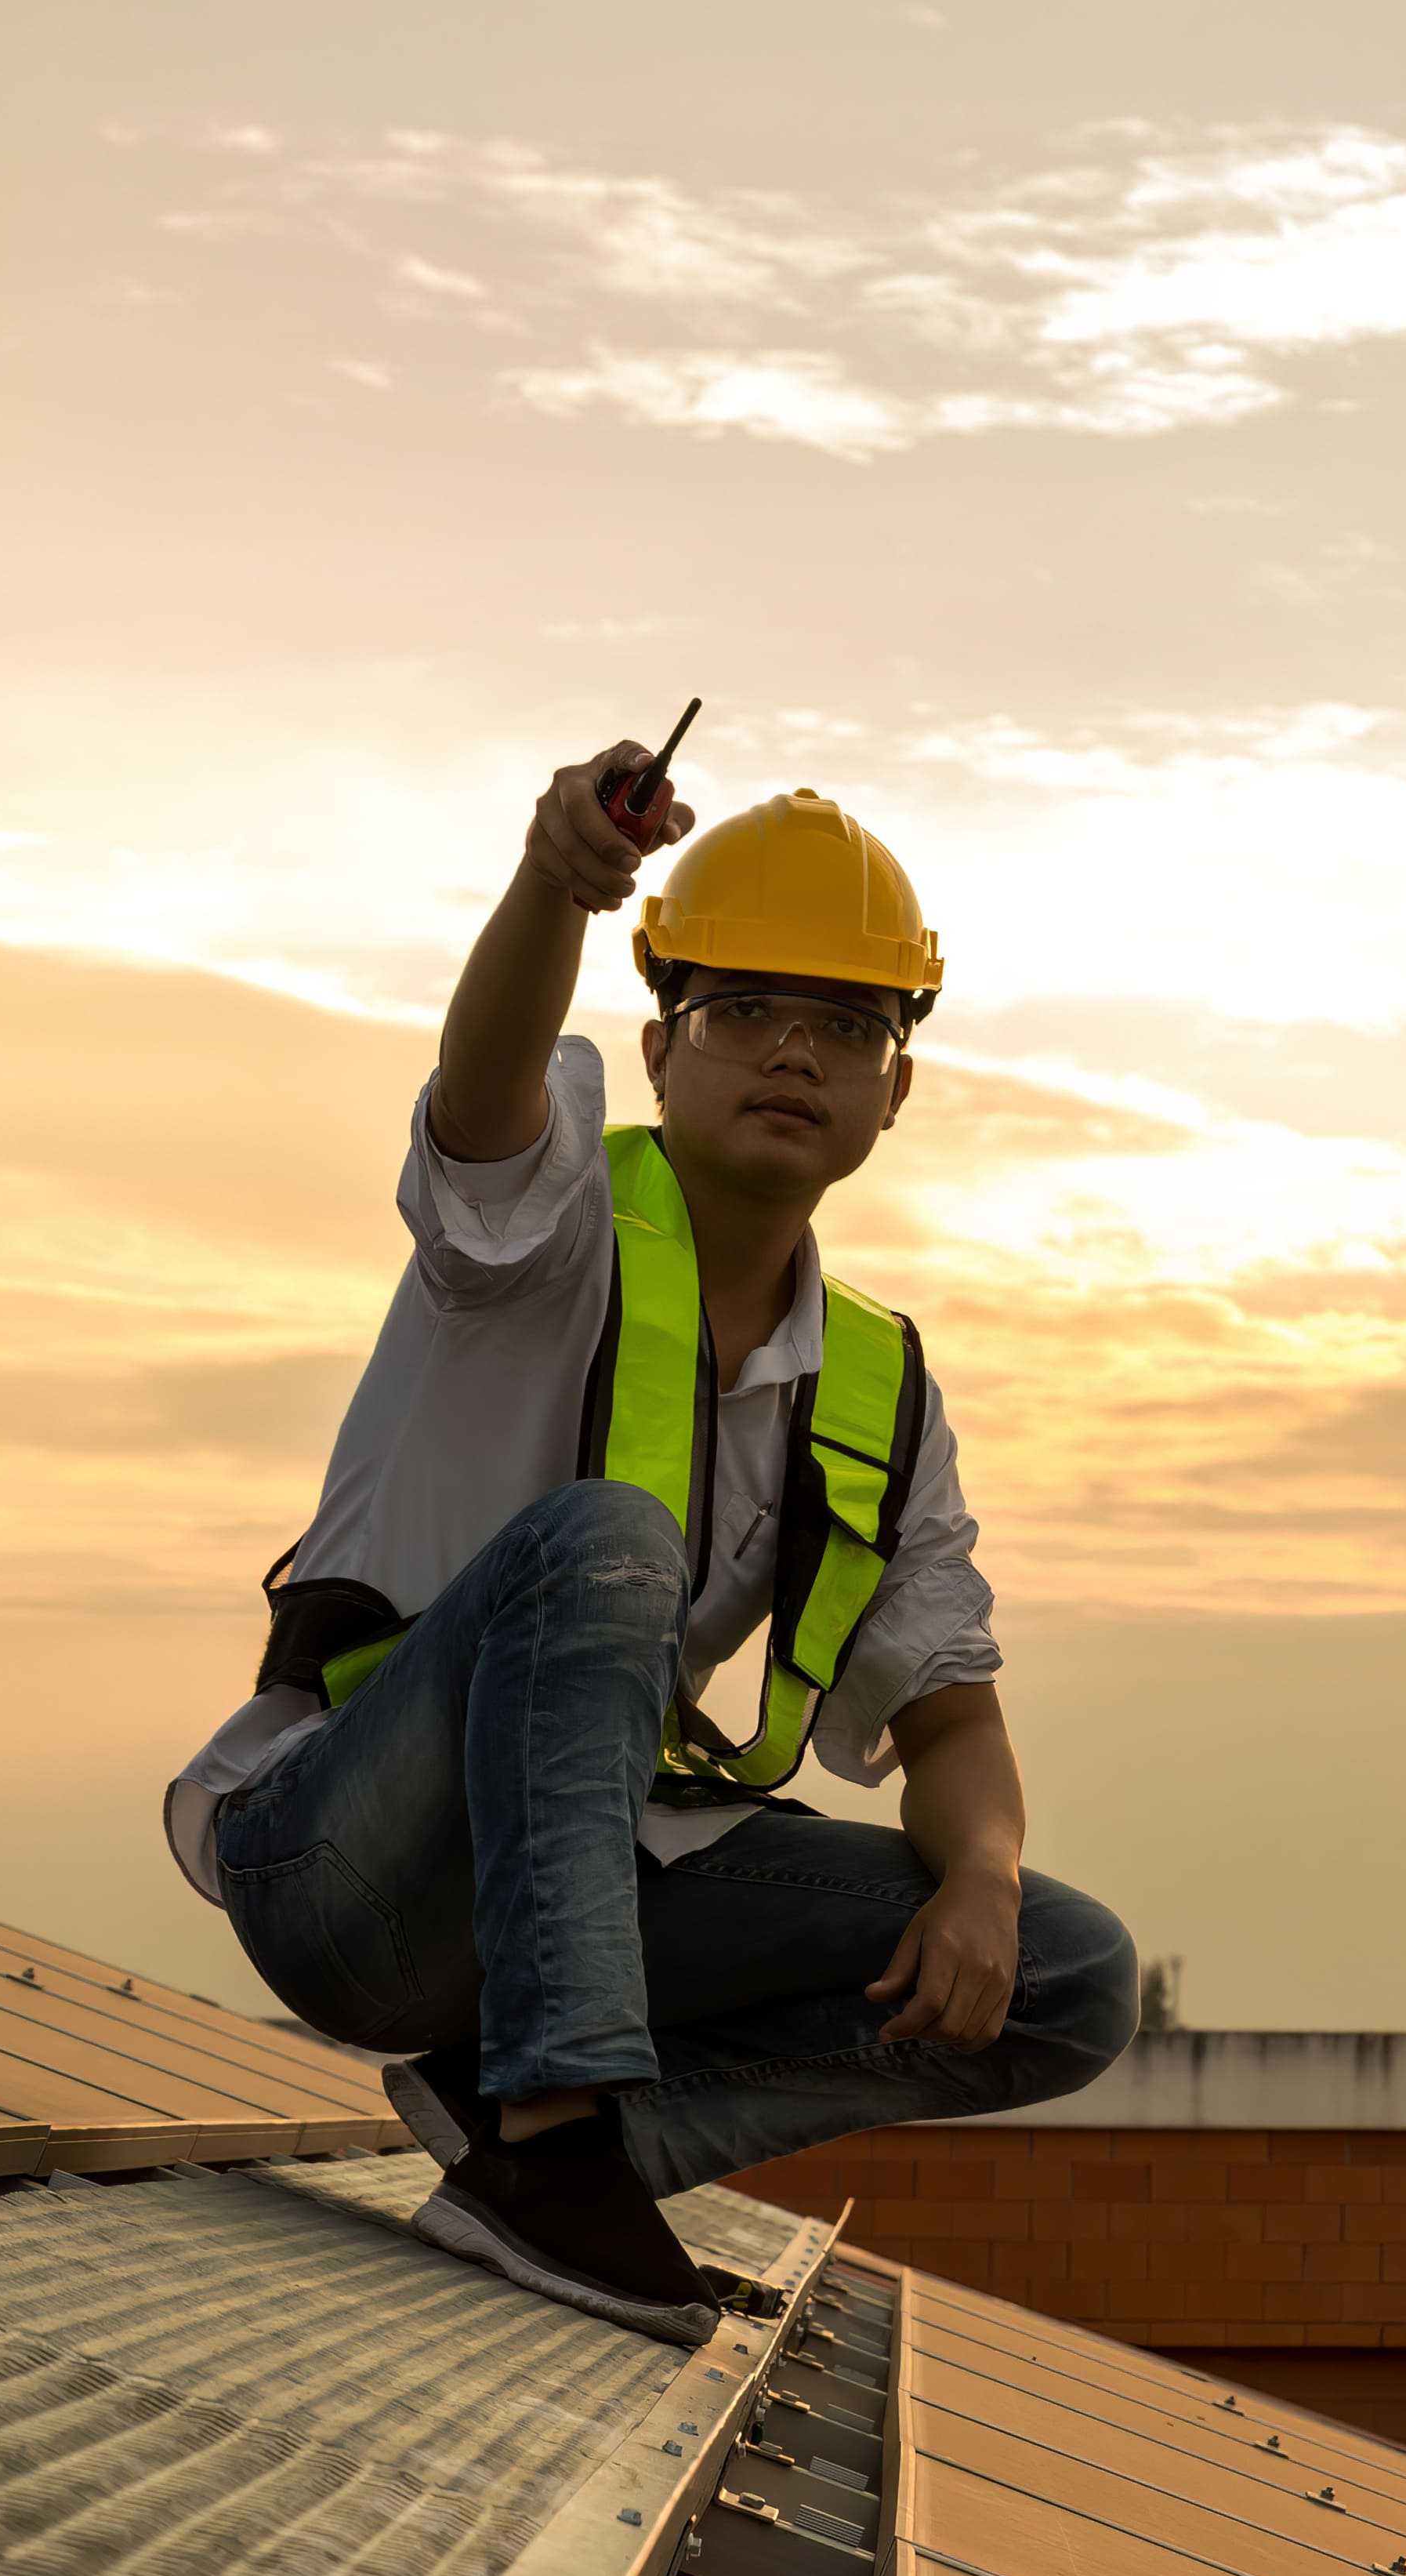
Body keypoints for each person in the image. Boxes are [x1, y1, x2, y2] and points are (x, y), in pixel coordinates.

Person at [162, 736, 1135, 2334]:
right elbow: (478, 1103)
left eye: (845, 1024)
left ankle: (563, 2140)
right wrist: (561, 876)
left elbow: (950, 1703)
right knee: (604, 1538)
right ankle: (551, 2148)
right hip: (348, 1858)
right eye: (744, 1010)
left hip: (576, 1896)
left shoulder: (878, 1387)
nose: (792, 1053)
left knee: (1063, 1968)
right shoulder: (548, 1222)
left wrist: (985, 1873)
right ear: (661, 1044)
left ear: (898, 1085)